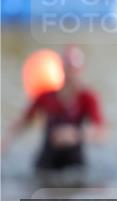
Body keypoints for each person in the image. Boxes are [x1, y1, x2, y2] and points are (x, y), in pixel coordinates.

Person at [2, 45, 105, 186]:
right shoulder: (45, 96)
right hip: (47, 160)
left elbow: (100, 132)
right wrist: (6, 141)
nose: (72, 74)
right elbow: (23, 122)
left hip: (74, 163)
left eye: (75, 69)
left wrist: (75, 135)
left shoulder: (87, 98)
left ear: (81, 70)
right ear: (61, 69)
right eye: (68, 68)